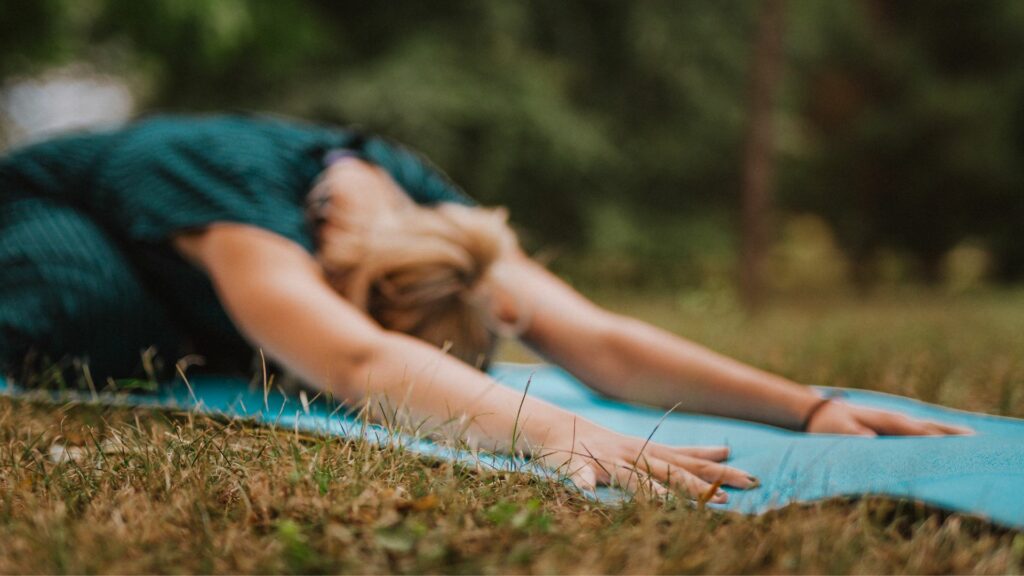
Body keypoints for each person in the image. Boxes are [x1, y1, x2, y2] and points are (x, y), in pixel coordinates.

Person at [0, 114, 969, 502]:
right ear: (349, 288)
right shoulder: (236, 200)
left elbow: (599, 340)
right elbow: (358, 365)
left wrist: (802, 405)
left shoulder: (435, 225)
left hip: (230, 274)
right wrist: (548, 429)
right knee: (94, 318)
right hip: (40, 221)